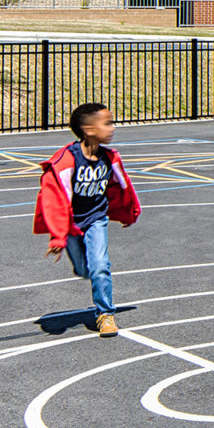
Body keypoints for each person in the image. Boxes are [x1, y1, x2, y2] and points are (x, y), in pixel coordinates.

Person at [34, 103, 141, 336]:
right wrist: (58, 237)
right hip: (71, 222)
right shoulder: (66, 160)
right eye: (108, 123)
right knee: (86, 270)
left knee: (100, 266)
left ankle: (105, 314)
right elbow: (54, 200)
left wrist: (128, 213)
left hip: (96, 218)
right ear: (89, 129)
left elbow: (122, 187)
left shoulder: (109, 157)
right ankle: (85, 270)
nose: (113, 128)